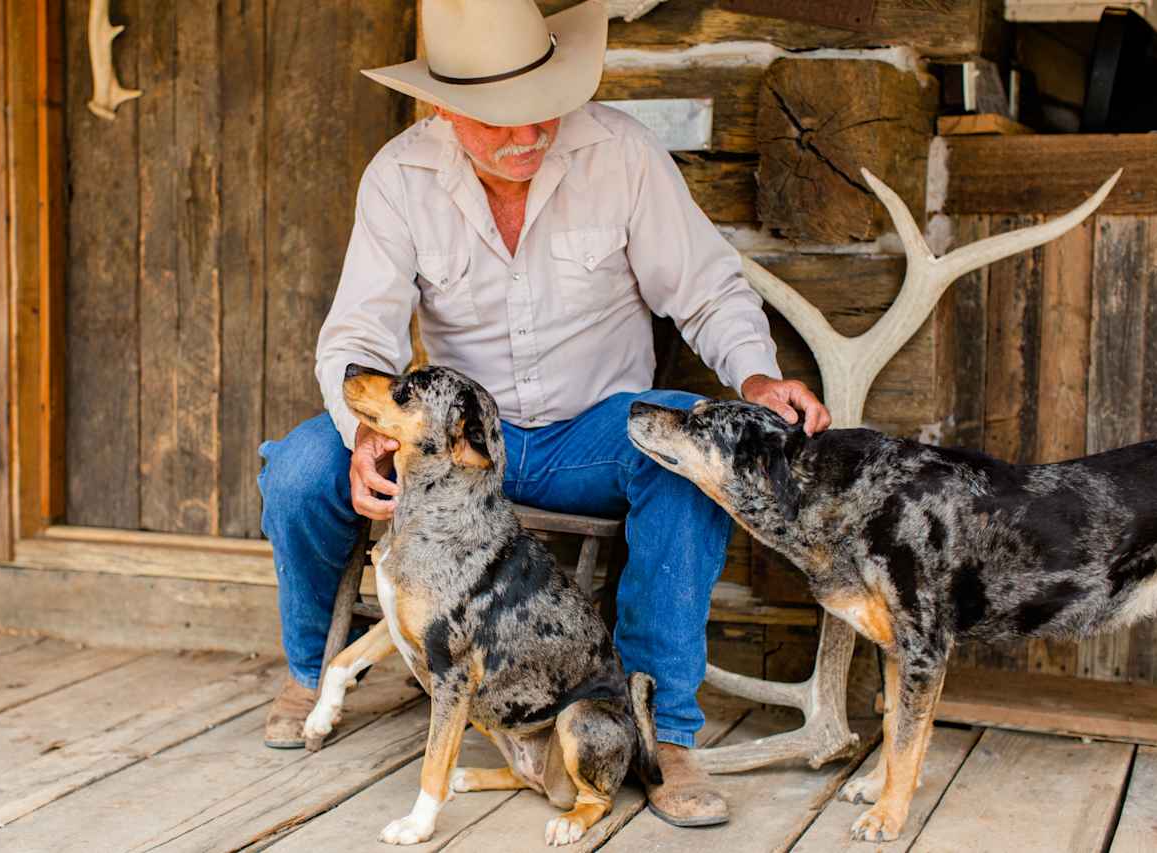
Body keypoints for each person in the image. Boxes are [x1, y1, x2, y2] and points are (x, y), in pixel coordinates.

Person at [257, 0, 830, 828]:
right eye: (500, 122)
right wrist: (367, 436)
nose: (529, 137)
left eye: (542, 113)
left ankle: (661, 732)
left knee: (685, 442)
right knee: (304, 467)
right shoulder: (400, 176)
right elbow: (355, 334)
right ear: (446, 108)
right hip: (459, 448)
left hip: (591, 433)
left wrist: (755, 378)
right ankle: (313, 671)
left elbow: (706, 287)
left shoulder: (622, 155)